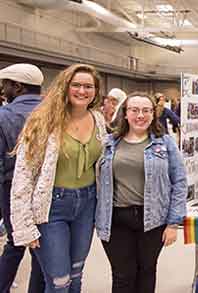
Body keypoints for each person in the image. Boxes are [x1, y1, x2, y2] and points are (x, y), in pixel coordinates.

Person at [9, 63, 107, 293]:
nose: (82, 91)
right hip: (51, 207)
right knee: (59, 281)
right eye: (76, 85)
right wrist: (24, 226)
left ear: (95, 91)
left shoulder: (98, 120)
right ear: (65, 87)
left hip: (87, 204)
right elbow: (23, 176)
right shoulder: (44, 121)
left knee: (76, 274)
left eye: (88, 86)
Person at [96, 92, 187, 293]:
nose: (140, 115)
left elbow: (179, 182)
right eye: (134, 110)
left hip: (153, 219)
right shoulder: (109, 142)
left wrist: (173, 223)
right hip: (116, 218)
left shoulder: (165, 143)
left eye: (146, 110)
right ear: (125, 114)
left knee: (146, 271)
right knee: (122, 275)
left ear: (153, 114)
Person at [0, 63, 45, 293]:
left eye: (5, 85)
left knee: (15, 242)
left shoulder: (3, 116)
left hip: (12, 190)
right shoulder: (54, 112)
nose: (2, 90)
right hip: (50, 190)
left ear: (17, 87)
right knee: (41, 247)